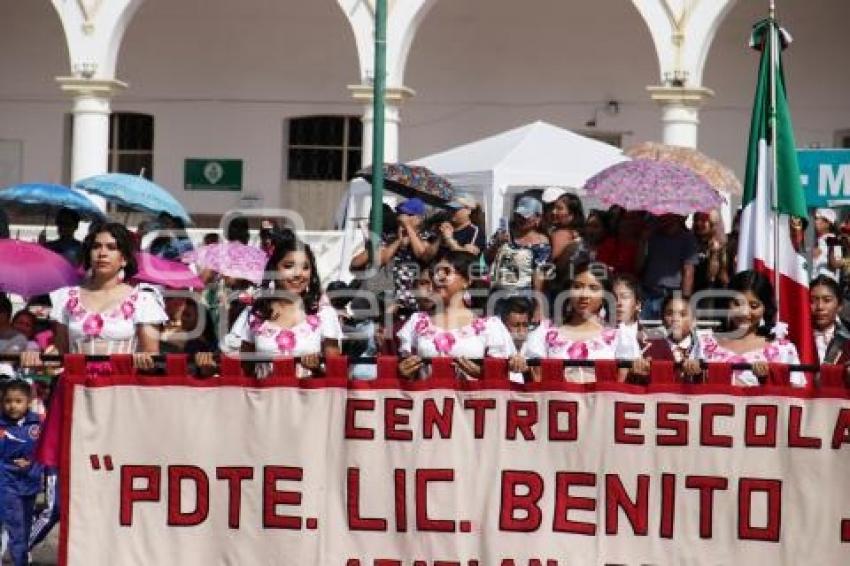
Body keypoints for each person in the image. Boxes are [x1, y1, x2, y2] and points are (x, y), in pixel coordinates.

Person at [45, 223, 168, 364]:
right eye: (96, 246)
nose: (102, 253)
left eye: (111, 248)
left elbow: (152, 355)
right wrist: (38, 358)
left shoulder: (143, 300)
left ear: (124, 259)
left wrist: (144, 361)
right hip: (76, 383)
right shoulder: (67, 297)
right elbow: (60, 351)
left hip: (121, 384)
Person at [229, 237, 342, 378]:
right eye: (289, 266)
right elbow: (244, 371)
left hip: (311, 399)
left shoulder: (324, 313)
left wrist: (316, 369)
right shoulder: (256, 312)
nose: (298, 274)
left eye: (305, 267)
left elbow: (337, 374)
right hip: (266, 399)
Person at [397, 252, 514, 380]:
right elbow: (404, 373)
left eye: (446, 272)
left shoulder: (490, 326)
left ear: (467, 281)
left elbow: (505, 379)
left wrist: (482, 374)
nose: (437, 278)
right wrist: (403, 372)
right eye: (434, 273)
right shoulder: (417, 321)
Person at [518, 261, 637, 383]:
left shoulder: (620, 334)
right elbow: (535, 381)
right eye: (577, 286)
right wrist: (523, 367)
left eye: (593, 288)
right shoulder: (544, 332)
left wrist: (639, 371)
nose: (584, 294)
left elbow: (627, 384)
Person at [695, 270, 804, 387]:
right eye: (737, 304)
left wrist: (766, 379)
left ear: (765, 308)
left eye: (754, 306)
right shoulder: (705, 343)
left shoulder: (784, 349)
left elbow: (796, 395)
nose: (744, 312)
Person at [0, 380, 43, 566]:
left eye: (18, 401)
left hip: (30, 484)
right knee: (16, 529)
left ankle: (22, 558)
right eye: (8, 401)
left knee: (25, 529)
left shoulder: (38, 423)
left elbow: (45, 451)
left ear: (29, 402)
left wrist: (31, 462)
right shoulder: (2, 426)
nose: (12, 406)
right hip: (8, 484)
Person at [485, 196, 551, 318]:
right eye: (518, 215)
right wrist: (497, 244)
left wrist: (538, 305)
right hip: (498, 294)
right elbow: (487, 259)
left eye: (525, 216)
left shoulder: (541, 243)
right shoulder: (502, 234)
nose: (521, 219)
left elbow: (539, 274)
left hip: (523, 297)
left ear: (538, 218)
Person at [640, 214, 699, 320]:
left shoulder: (688, 239)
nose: (662, 217)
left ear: (677, 216)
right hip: (648, 293)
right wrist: (642, 241)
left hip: (671, 294)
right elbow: (639, 265)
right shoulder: (652, 236)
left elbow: (688, 272)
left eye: (668, 215)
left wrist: (684, 301)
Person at [810, 275, 850, 365]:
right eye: (813, 301)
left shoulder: (847, 341)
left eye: (827, 300)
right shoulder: (795, 339)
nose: (820, 307)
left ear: (839, 305)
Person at [543, 189, 585, 264]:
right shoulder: (579, 232)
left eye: (559, 209)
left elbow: (550, 262)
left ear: (572, 214)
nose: (553, 212)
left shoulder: (561, 234)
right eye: (554, 208)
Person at [499, 297, 533, 383]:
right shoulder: (495, 351)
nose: (521, 330)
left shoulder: (536, 348)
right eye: (516, 325)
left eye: (525, 325)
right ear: (504, 324)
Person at [811, 208, 839, 279]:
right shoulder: (819, 240)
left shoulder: (834, 240)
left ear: (827, 224)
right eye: (815, 219)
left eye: (818, 219)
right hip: (816, 283)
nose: (815, 222)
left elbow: (836, 263)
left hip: (827, 285)